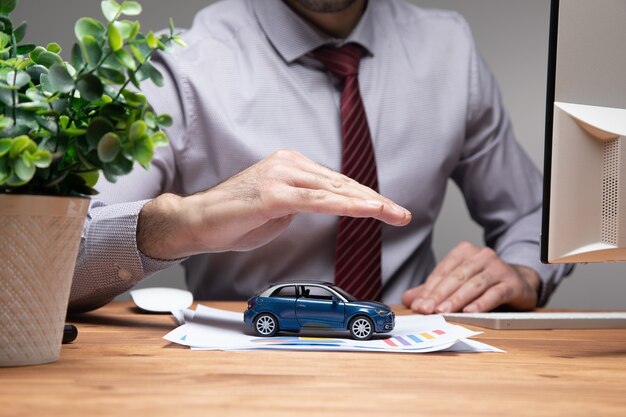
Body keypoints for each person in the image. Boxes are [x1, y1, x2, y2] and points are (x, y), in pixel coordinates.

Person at [69, 0, 571, 313]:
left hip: (415, 355)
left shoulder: (450, 49)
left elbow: (532, 213)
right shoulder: (182, 65)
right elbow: (59, 262)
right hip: (244, 369)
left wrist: (524, 270)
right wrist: (183, 220)